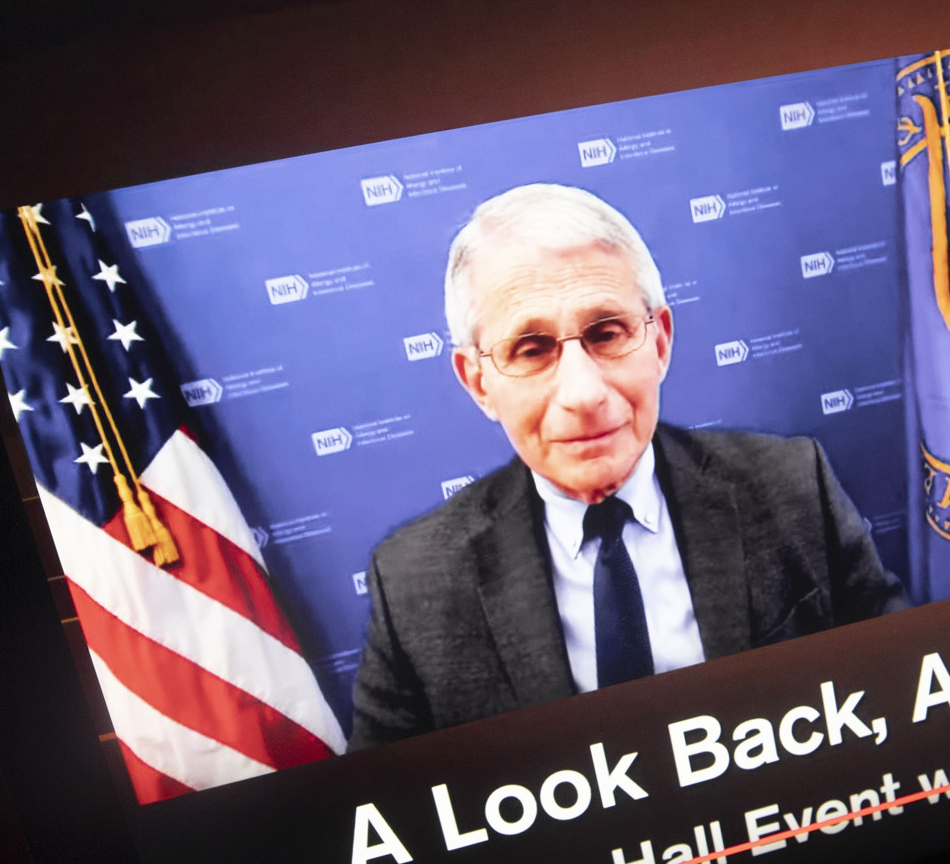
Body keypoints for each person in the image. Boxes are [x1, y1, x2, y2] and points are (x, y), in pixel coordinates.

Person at [349, 183, 905, 748]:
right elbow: (396, 812)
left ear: (659, 342)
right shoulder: (415, 584)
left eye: (607, 333)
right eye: (533, 349)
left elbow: (906, 694)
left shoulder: (792, 487)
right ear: (479, 383)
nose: (583, 392)